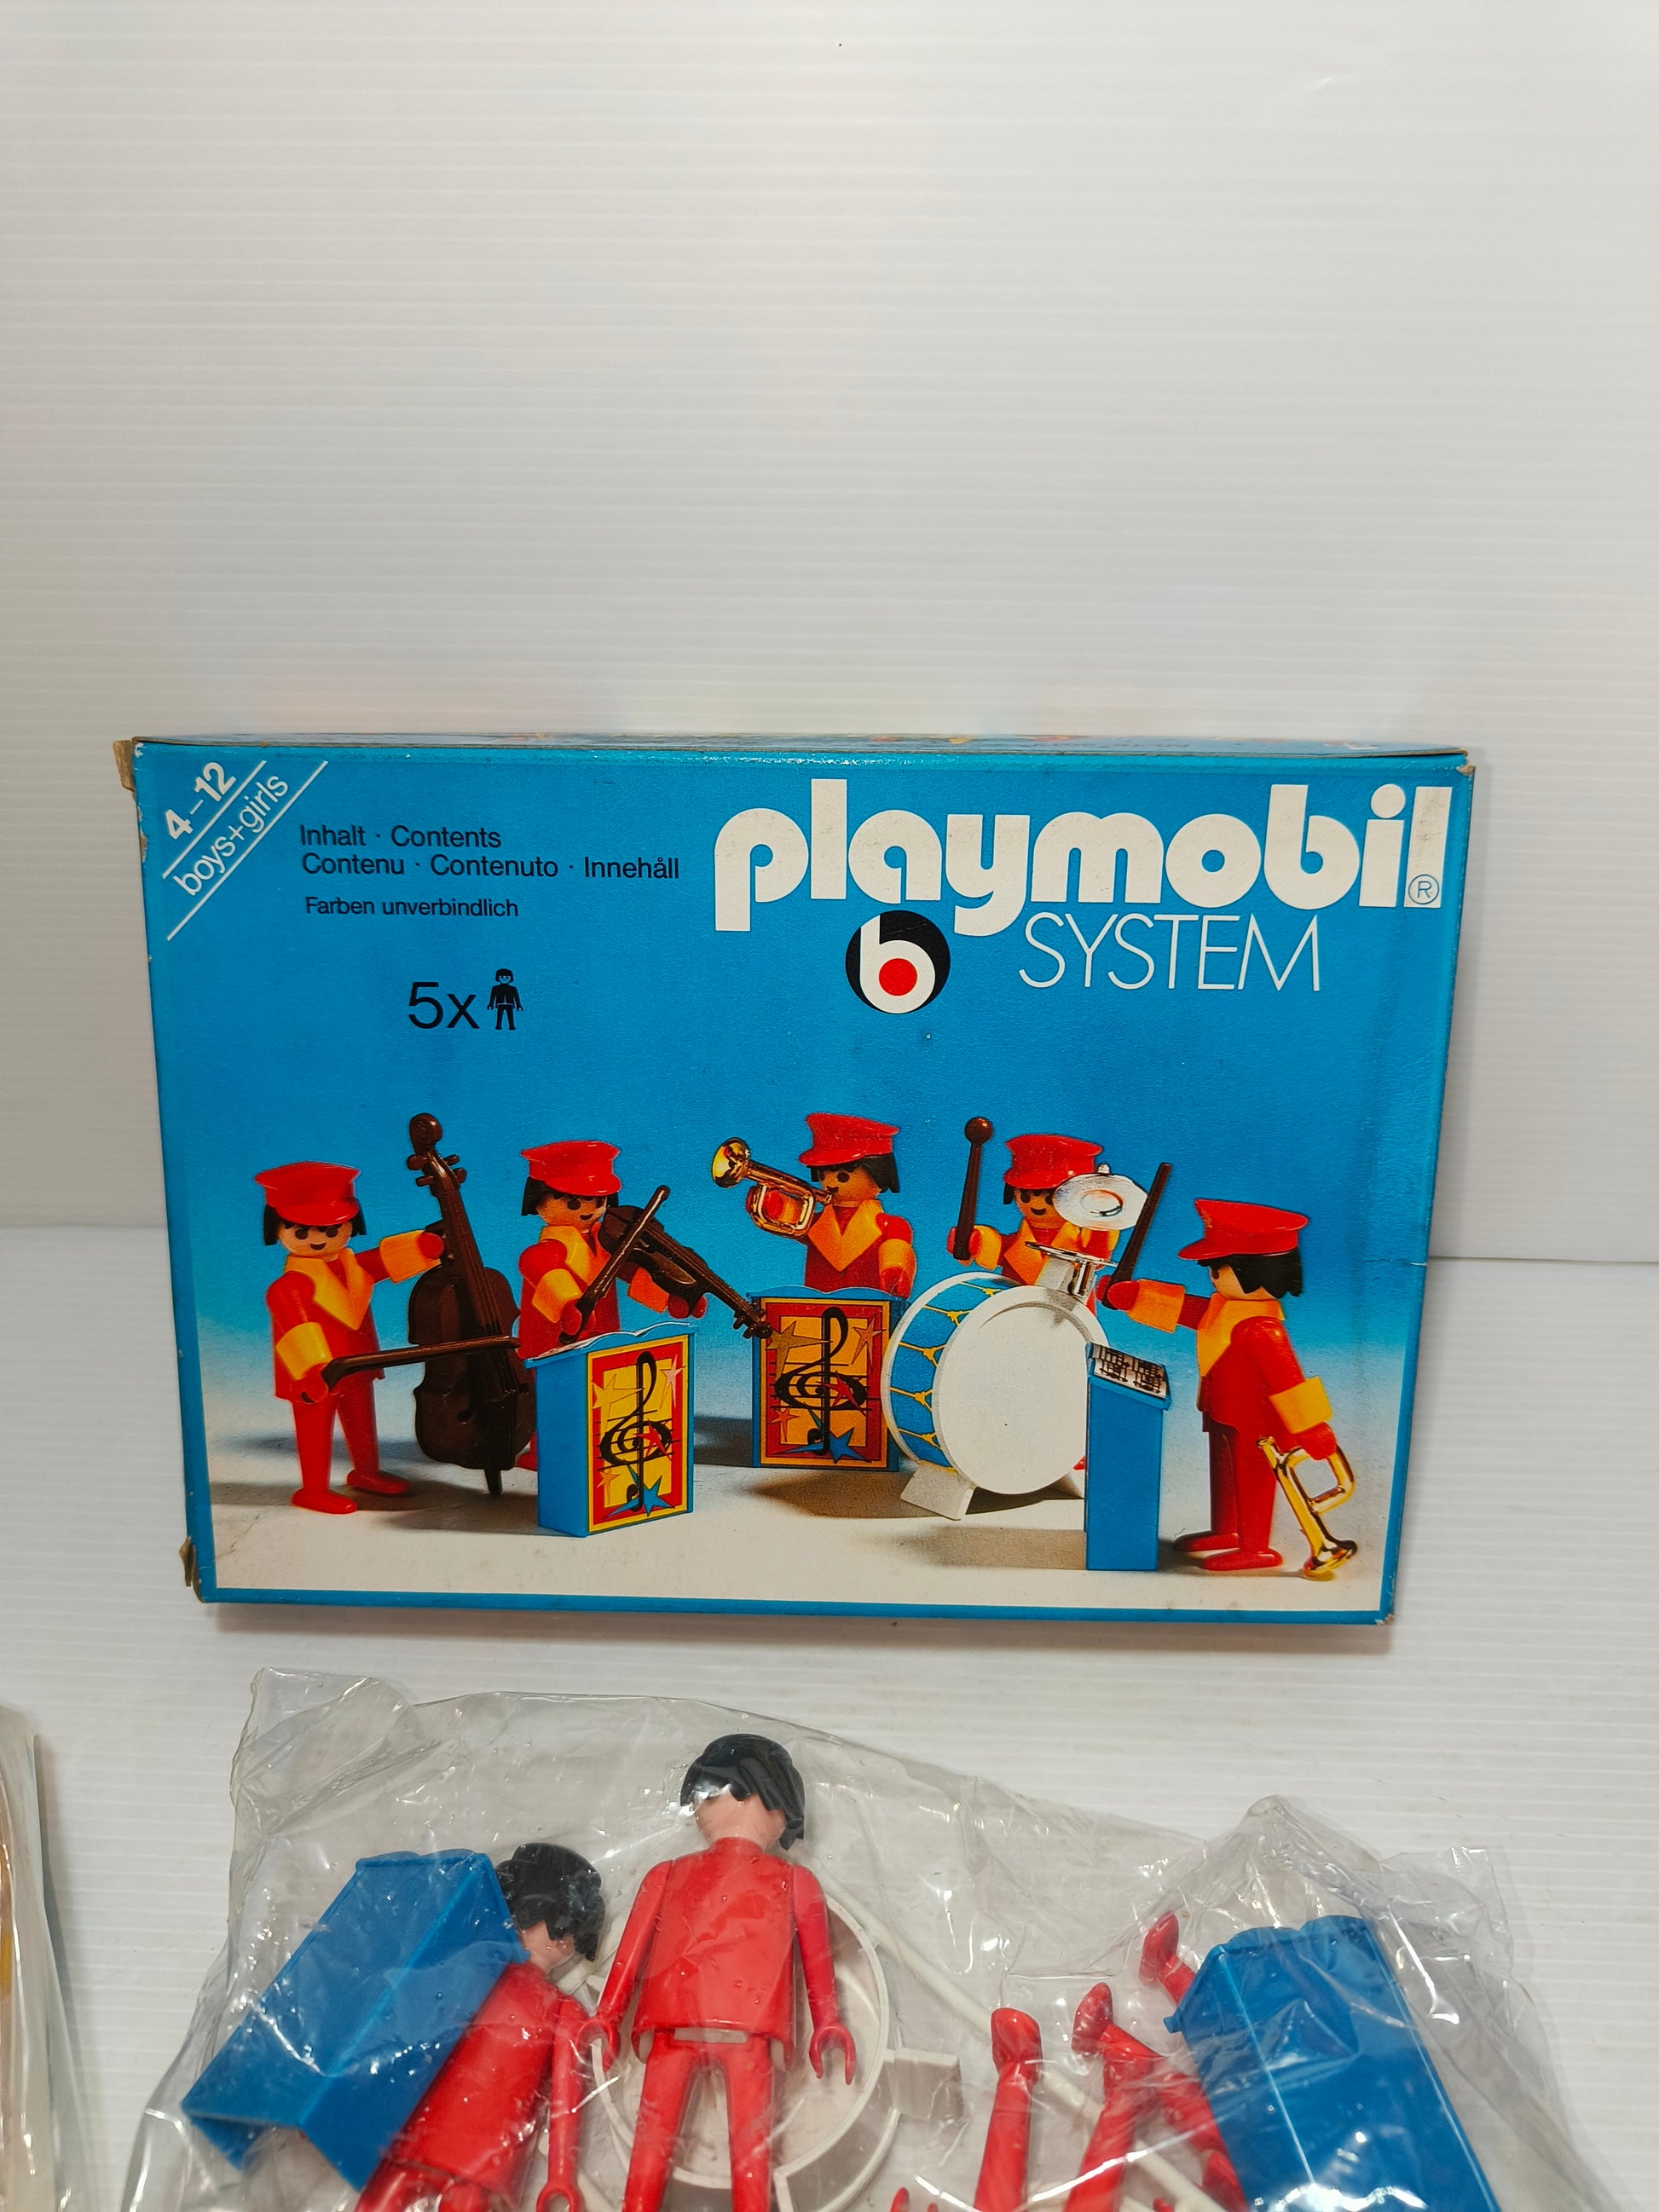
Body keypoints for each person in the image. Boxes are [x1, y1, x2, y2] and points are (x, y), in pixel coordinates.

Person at [581, 1735, 855, 2212]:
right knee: (667, 2149)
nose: (701, 1808)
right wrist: (607, 2014)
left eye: (709, 1794)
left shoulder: (791, 1880)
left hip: (726, 2031)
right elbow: (632, 1951)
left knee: (739, 2155)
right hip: (694, 2029)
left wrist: (829, 2020)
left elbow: (817, 1958)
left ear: (768, 1801)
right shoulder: (669, 1874)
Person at [356, 1843, 605, 2212]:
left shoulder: (558, 2007)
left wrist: (560, 2174)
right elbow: (413, 2024)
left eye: (573, 1932)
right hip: (437, 2130)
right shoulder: (479, 1970)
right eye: (563, 1925)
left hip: (477, 2148)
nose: (565, 1941)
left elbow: (568, 2095)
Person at [1104, 1199, 1341, 1574]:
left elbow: (1290, 1381)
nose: (1213, 1277)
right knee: (1224, 1473)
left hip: (1258, 1423)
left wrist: (1311, 1427)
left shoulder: (1263, 1329)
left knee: (1252, 1479)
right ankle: (1227, 1531)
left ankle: (1256, 1546)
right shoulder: (1224, 1310)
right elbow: (1185, 1310)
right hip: (1222, 1410)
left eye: (1219, 1268)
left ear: (1257, 1272)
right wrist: (1135, 1297)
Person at [255, 1161, 443, 1515]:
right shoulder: (290, 1285)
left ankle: (366, 1471)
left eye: (332, 1229)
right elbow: (297, 1327)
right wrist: (313, 1369)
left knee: (361, 1419)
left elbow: (383, 1261)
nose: (318, 1239)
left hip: (358, 1361)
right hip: (317, 1370)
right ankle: (313, 1489)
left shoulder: (351, 1265)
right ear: (275, 1228)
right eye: (301, 1231)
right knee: (315, 1427)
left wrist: (423, 1246)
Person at [758, 1114, 916, 1297]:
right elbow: (796, 1220)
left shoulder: (890, 1225)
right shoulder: (816, 1222)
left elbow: (896, 1249)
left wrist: (895, 1270)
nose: (831, 1184)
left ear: (879, 1172)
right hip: (814, 1302)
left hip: (870, 1303)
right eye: (823, 1175)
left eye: (843, 1177)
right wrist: (775, 1205)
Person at [950, 1132, 1119, 1295]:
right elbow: (998, 1248)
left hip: (1069, 1312)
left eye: (1050, 1198)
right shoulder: (1015, 1246)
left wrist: (1100, 1222)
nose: (1037, 1204)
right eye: (1026, 1196)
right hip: (1013, 1308)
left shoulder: (1079, 1245)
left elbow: (1096, 1257)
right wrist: (975, 1240)